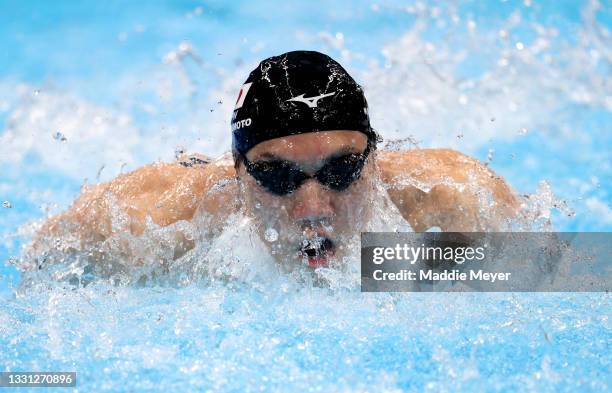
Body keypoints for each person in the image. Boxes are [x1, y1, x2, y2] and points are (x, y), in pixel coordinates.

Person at [29, 51, 518, 273]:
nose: (313, 207)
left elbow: (578, 275)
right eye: (276, 174)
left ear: (375, 160)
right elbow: (41, 262)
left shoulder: (454, 201)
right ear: (237, 173)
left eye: (342, 170)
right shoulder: (151, 223)